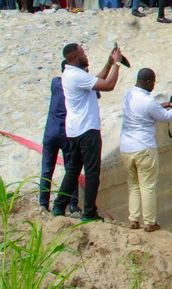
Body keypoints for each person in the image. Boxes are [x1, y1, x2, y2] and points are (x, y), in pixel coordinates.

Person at [52, 43, 123, 221]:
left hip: (74, 130)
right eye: (83, 53)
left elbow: (95, 82)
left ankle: (59, 206)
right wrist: (116, 64)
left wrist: (108, 64)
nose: (86, 55)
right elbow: (108, 85)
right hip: (87, 129)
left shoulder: (71, 73)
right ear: (75, 57)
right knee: (92, 172)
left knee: (73, 170)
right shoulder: (76, 75)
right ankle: (89, 212)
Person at [119, 68, 172, 232]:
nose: (153, 86)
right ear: (148, 81)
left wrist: (165, 105)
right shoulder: (148, 100)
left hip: (126, 148)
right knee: (147, 186)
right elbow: (167, 117)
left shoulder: (129, 94)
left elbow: (147, 111)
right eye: (153, 83)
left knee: (133, 185)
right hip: (144, 148)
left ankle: (133, 220)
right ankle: (149, 222)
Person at [39, 60, 80, 214]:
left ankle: (43, 204)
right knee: (71, 170)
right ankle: (73, 205)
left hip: (50, 132)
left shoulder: (56, 83)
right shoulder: (74, 87)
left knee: (47, 170)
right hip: (67, 134)